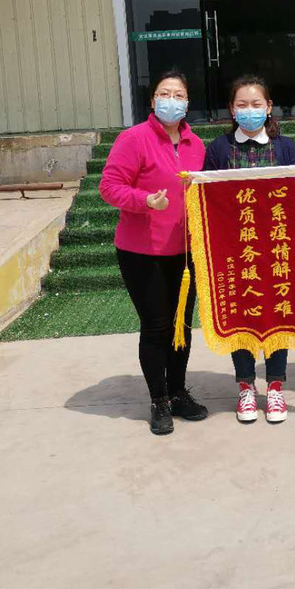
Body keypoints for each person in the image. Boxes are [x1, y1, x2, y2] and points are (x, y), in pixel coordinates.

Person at [204, 75, 295, 424]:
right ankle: (245, 386)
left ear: (269, 107)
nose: (249, 110)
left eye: (256, 104)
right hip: (235, 248)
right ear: (232, 110)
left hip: (276, 247)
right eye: (242, 104)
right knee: (240, 315)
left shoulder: (284, 147)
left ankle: (274, 386)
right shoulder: (219, 149)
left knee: (278, 312)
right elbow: (208, 197)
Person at [99, 70, 208, 436]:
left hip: (186, 252)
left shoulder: (196, 145)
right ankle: (158, 400)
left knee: (182, 325)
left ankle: (178, 393)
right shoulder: (134, 139)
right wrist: (145, 200)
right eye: (164, 93)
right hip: (143, 252)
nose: (171, 100)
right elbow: (109, 186)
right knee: (157, 326)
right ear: (152, 100)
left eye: (178, 95)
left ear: (188, 103)